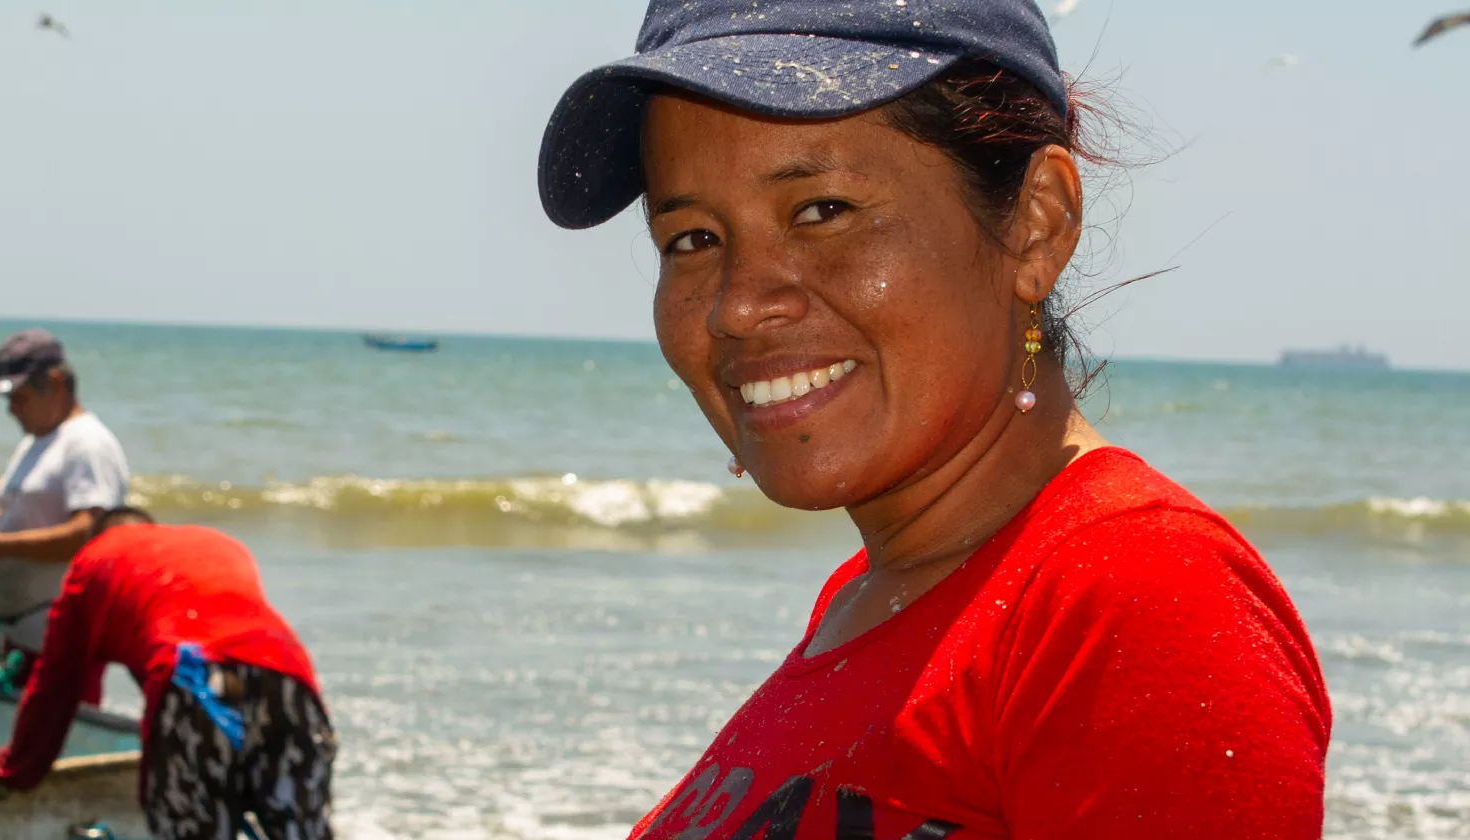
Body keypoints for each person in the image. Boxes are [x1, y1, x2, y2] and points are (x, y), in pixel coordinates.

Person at [538, 2, 1331, 837]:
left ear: (1037, 223)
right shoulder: (871, 603)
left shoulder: (1129, 603)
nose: (738, 306)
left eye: (823, 211)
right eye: (692, 238)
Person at [0, 507, 335, 840]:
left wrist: (14, 771)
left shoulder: (91, 562)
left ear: (97, 538)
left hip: (195, 675)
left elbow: (55, 686)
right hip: (290, 674)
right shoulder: (216, 542)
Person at [0, 329, 130, 690]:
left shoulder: (87, 444)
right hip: (20, 638)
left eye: (19, 399)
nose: (11, 411)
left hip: (59, 643)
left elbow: (90, 534)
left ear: (54, 383)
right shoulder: (37, 440)